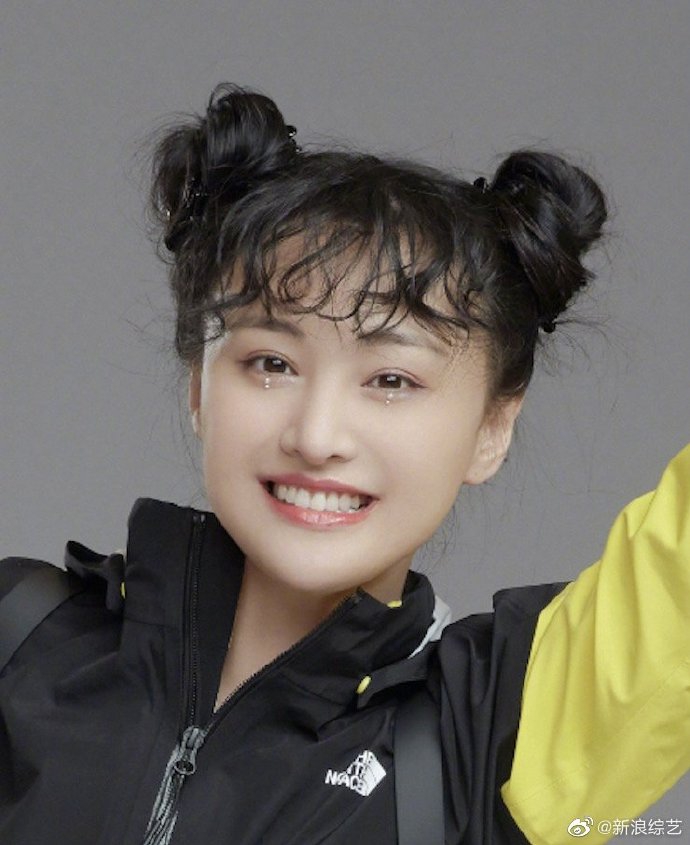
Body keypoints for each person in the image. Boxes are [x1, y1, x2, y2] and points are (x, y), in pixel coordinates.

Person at [0, 84, 688, 845]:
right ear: (199, 384)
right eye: (271, 363)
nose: (318, 435)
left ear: (492, 428)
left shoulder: (498, 735)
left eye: (391, 379)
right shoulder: (21, 639)